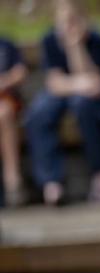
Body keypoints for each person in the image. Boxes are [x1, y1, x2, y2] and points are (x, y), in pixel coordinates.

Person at [24, 0, 100, 206]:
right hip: (66, 91)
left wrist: (75, 46)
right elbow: (55, 82)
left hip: (88, 98)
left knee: (85, 107)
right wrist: (81, 84)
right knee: (38, 114)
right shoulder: (49, 39)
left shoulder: (96, 39)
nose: (69, 25)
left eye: (75, 19)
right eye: (65, 20)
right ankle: (51, 181)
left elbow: (97, 84)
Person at [0, 36, 28, 207]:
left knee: (4, 112)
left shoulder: (6, 44)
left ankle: (12, 181)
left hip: (6, 101)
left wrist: (4, 81)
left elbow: (20, 72)